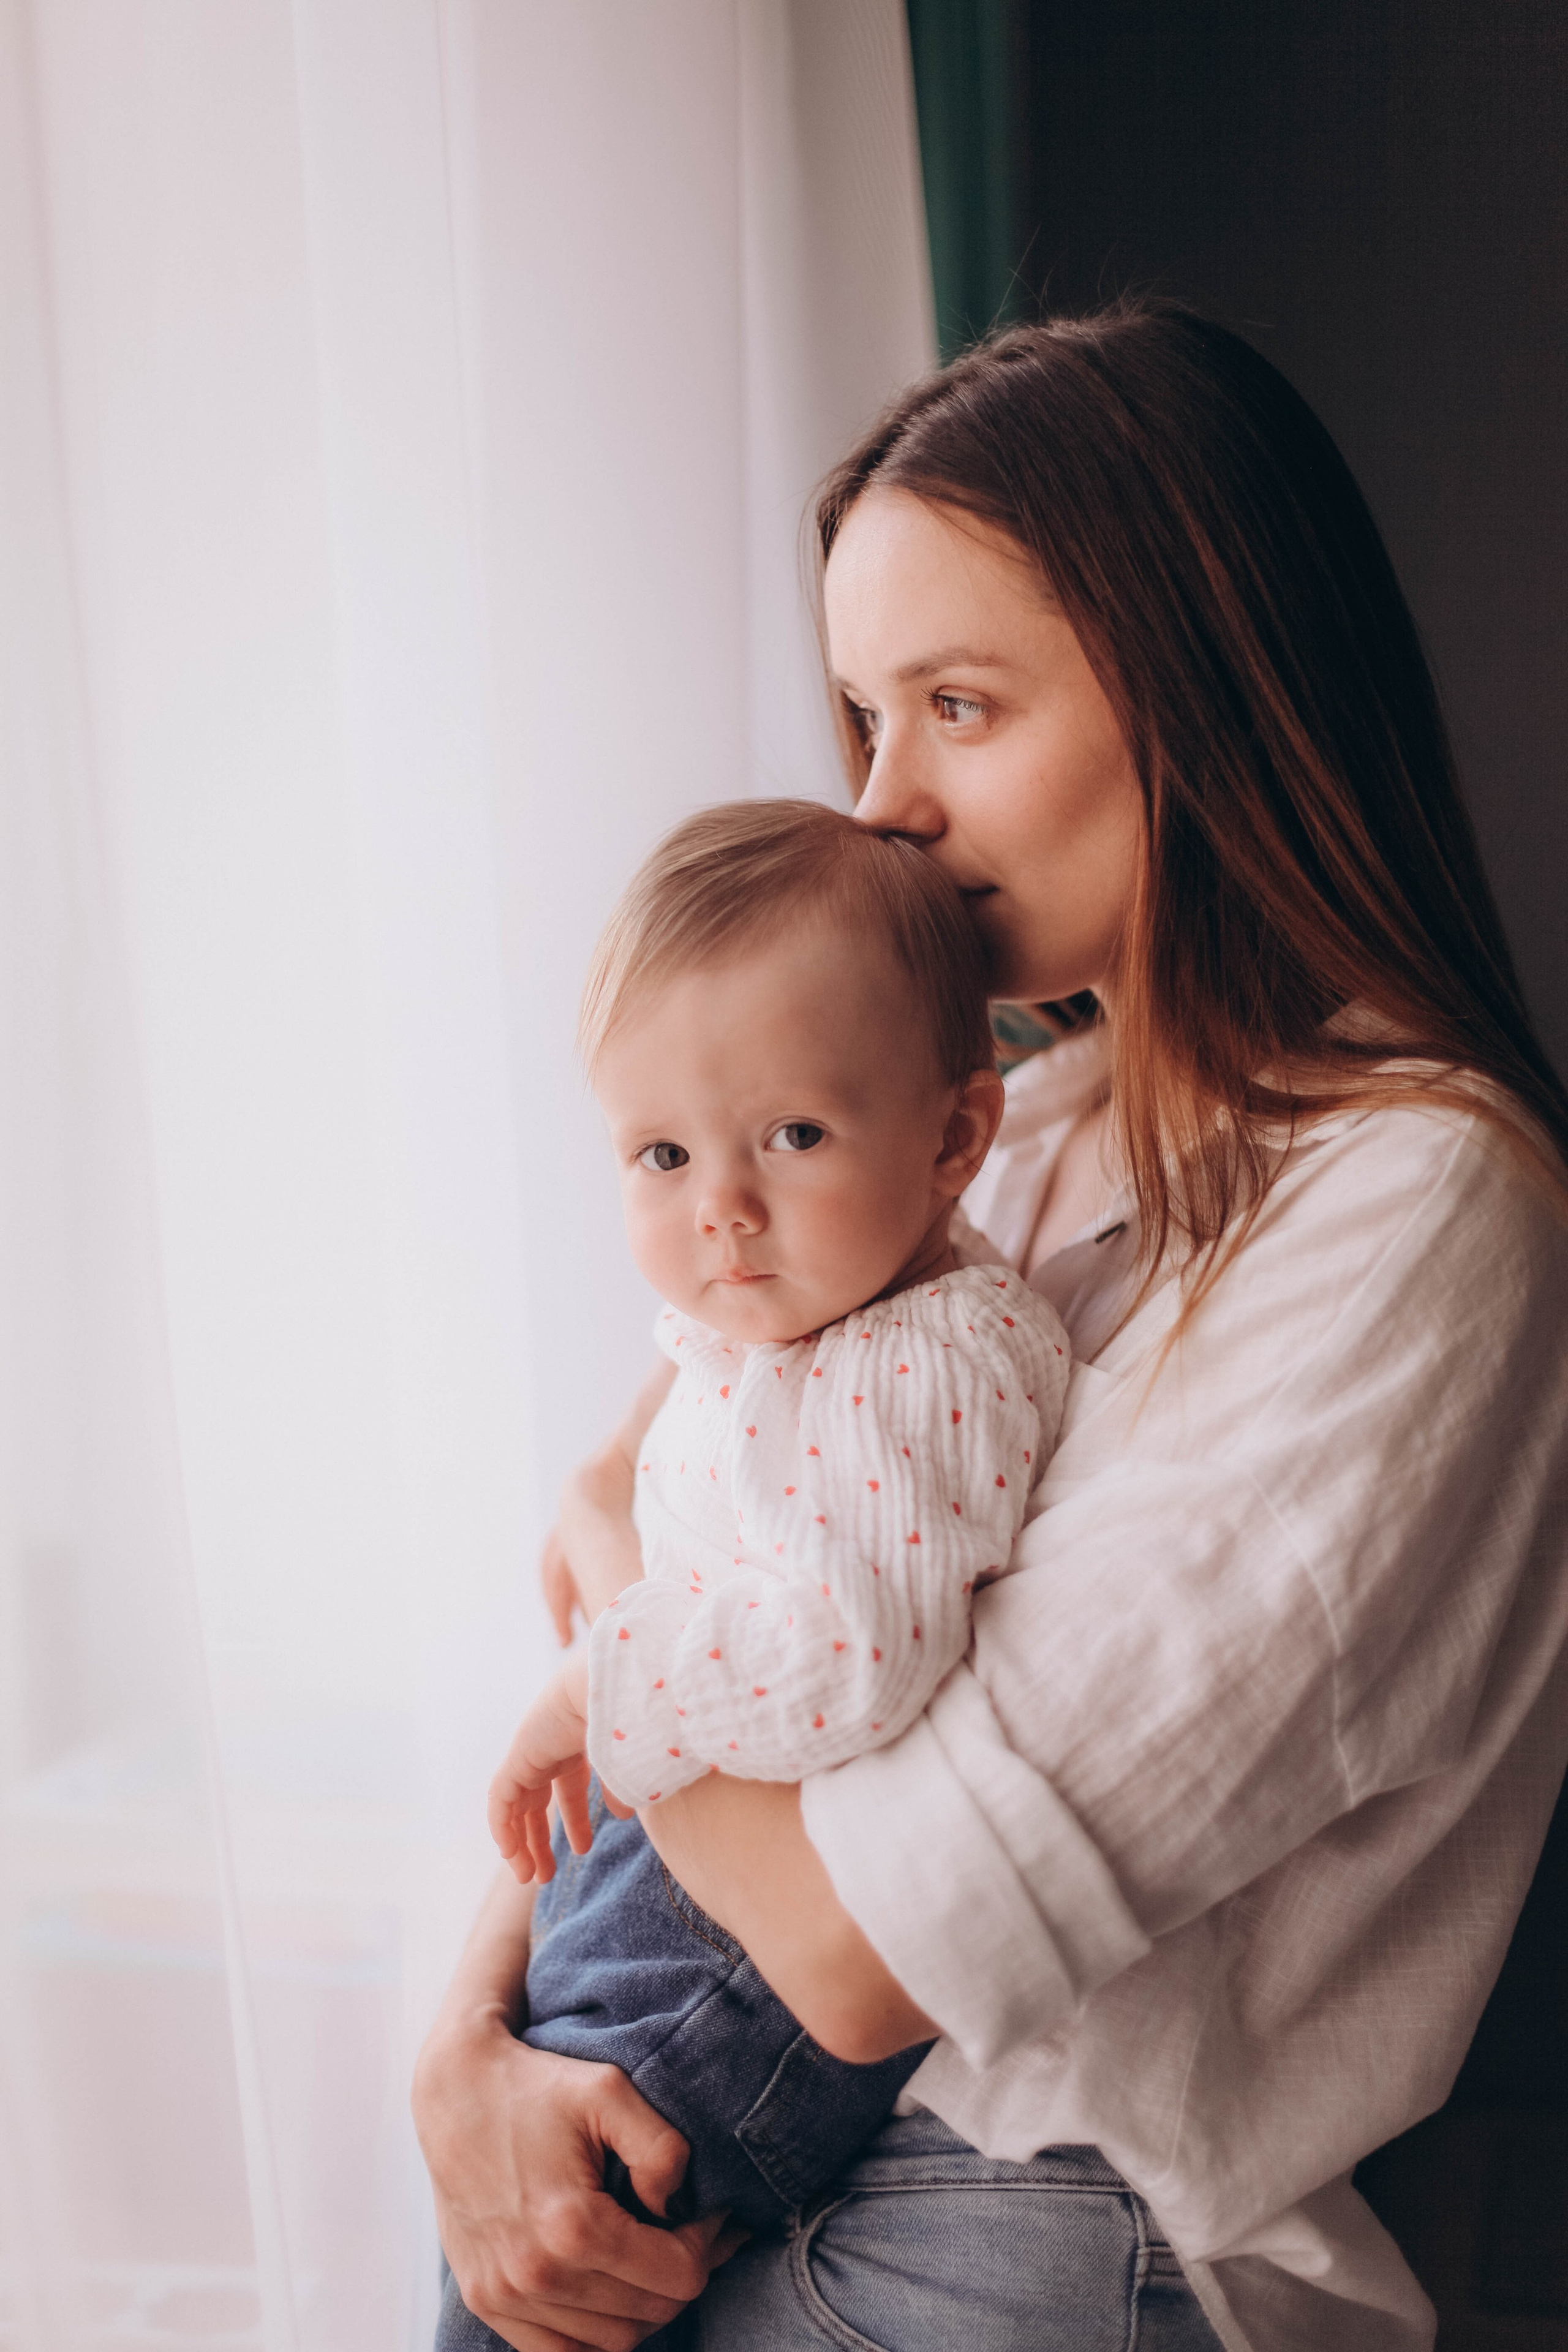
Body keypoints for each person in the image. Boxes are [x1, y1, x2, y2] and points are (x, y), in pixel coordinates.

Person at [413, 302, 1568, 2352]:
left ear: (1211, 687)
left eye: (960, 705)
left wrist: (607, 1584)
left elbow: (866, 1941)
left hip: (1063, 2216)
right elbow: (664, 1556)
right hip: (750, 2118)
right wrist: (461, 2051)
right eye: (864, 715)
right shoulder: (997, 1133)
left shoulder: (1421, 1202)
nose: (883, 808)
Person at [484, 800, 1071, 2241]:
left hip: (727, 1964)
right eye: (661, 1157)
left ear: (954, 1138)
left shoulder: (918, 1362)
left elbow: (843, 1655)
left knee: (550, 2258)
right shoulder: (800, 1322)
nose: (722, 1212)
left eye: (791, 1135)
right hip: (677, 1876)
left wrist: (593, 1677)